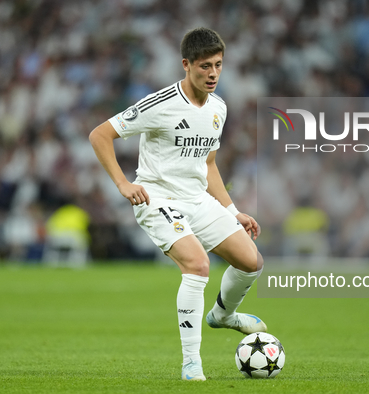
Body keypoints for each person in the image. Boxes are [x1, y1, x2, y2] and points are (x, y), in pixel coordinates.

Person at [89, 27, 265, 381]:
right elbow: (100, 134)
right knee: (198, 265)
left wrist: (233, 212)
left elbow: (209, 164)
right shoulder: (160, 104)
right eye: (204, 67)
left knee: (251, 262)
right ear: (186, 65)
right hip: (157, 198)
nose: (213, 74)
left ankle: (223, 315)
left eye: (218, 65)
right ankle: (191, 363)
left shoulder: (219, 108)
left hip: (197, 199)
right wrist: (124, 183)